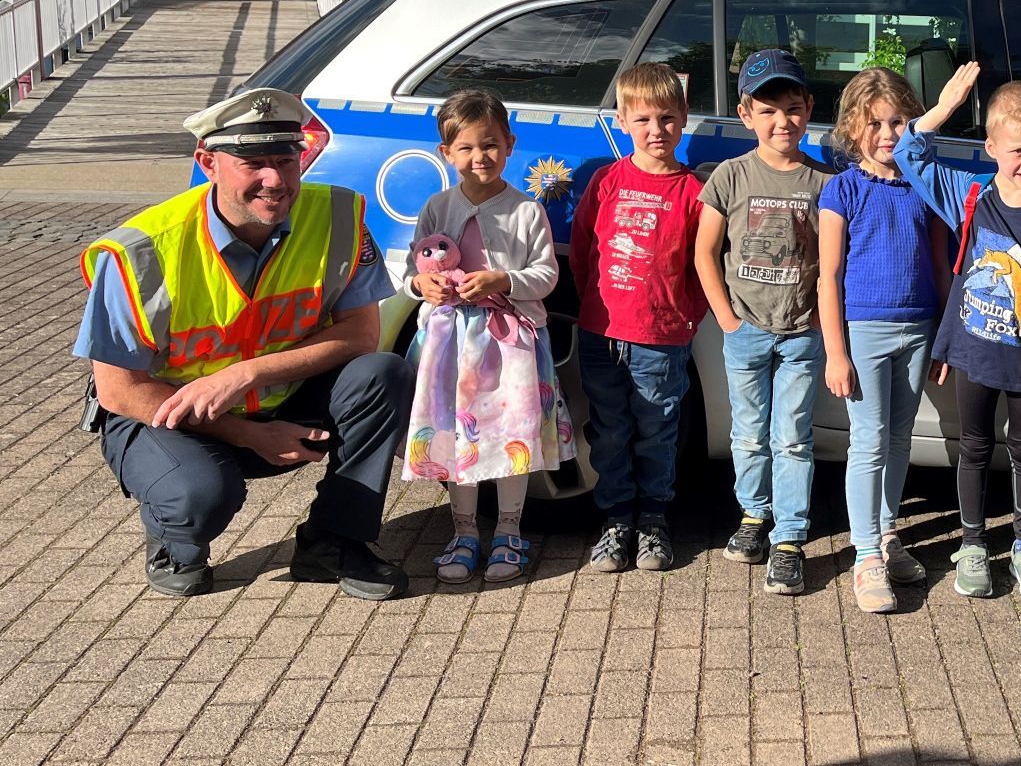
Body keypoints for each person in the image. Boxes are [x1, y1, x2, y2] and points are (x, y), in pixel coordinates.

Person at [76, 87, 411, 600]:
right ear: (208, 163)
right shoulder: (141, 250)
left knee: (384, 374)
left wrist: (246, 374)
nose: (275, 180)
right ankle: (175, 542)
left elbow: (360, 335)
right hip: (168, 416)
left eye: (286, 160)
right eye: (253, 163)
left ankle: (335, 541)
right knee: (201, 496)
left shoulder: (338, 216)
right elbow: (121, 391)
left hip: (281, 402)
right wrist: (249, 434)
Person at [894, 61, 1021, 600]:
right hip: (974, 354)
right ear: (991, 147)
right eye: (1018, 150)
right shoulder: (970, 195)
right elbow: (908, 154)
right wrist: (944, 108)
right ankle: (973, 544)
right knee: (972, 447)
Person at [400, 88, 573, 583]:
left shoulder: (525, 210)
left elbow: (546, 275)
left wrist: (504, 281)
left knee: (510, 434)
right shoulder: (437, 206)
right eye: (467, 147)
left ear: (510, 145)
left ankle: (509, 531)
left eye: (491, 144)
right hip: (451, 343)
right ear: (446, 153)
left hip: (509, 343)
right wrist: (421, 286)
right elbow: (415, 265)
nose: (480, 156)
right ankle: (464, 532)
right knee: (457, 435)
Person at [697, 49, 832, 595]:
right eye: (768, 110)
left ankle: (790, 537)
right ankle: (754, 515)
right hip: (745, 331)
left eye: (793, 109)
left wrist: (820, 321)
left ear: (809, 109)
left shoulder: (823, 182)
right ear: (745, 114)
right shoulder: (730, 176)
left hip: (801, 334)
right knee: (748, 434)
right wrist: (727, 319)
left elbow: (834, 262)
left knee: (793, 437)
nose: (783, 121)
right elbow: (705, 253)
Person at [568, 62, 707, 576]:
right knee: (608, 431)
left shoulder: (693, 192)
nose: (656, 130)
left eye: (667, 118)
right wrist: (593, 307)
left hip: (662, 338)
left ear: (684, 117)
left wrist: (687, 317)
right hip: (601, 334)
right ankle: (616, 519)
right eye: (644, 119)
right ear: (623, 121)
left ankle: (653, 518)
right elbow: (583, 252)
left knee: (658, 432)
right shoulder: (606, 181)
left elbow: (703, 265)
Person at [817, 68, 947, 614]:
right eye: (875, 123)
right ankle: (866, 553)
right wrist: (836, 351)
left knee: (897, 438)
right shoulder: (842, 189)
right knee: (868, 442)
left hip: (919, 328)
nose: (889, 134)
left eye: (899, 122)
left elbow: (940, 264)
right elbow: (828, 276)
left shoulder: (923, 186)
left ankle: (887, 532)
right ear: (853, 128)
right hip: (865, 331)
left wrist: (944, 336)